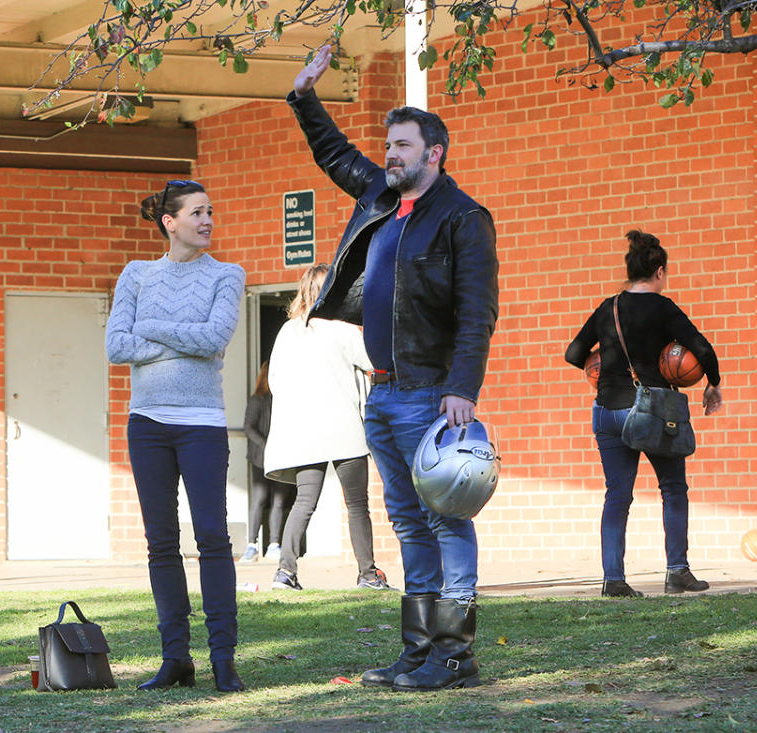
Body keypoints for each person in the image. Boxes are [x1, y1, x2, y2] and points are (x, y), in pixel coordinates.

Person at [287, 47, 499, 692]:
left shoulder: (464, 218)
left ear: (435, 152)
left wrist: (462, 389)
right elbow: (333, 154)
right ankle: (418, 650)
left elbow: (477, 313)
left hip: (431, 394)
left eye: (403, 146)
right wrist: (304, 96)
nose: (391, 155)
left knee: (445, 521)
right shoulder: (380, 196)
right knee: (406, 521)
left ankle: (455, 657)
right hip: (380, 395)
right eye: (389, 145)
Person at [105, 179, 246, 693]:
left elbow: (215, 338)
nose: (208, 221)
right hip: (147, 424)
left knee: (212, 537)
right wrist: (181, 338)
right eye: (197, 213)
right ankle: (175, 660)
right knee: (161, 542)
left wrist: (154, 326)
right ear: (170, 222)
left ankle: (223, 660)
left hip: (202, 424)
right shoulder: (137, 274)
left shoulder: (228, 275)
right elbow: (117, 346)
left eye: (211, 211)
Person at [565, 230, 723, 597]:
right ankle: (677, 572)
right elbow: (702, 348)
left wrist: (599, 368)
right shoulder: (663, 307)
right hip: (653, 412)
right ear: (660, 272)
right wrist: (712, 385)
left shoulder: (609, 308)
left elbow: (574, 353)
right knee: (673, 488)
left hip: (606, 411)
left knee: (617, 496)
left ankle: (613, 580)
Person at [263, 264, 390, 591]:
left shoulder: (287, 332)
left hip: (305, 432)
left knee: (304, 501)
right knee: (357, 505)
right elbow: (374, 364)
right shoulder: (342, 329)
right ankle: (367, 574)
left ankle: (285, 572)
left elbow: (275, 381)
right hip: (344, 428)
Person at [240, 361, 295, 564]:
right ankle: (252, 545)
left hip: (283, 458)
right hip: (261, 458)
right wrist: (267, 444)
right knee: (260, 499)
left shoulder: (287, 400)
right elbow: (248, 427)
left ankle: (274, 545)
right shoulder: (257, 400)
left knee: (279, 501)